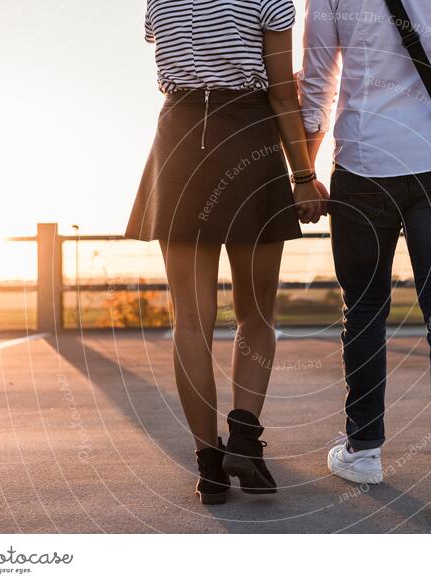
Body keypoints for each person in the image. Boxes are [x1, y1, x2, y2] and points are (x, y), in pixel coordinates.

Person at [125, 0, 327, 505]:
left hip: (179, 139)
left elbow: (164, 51)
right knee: (255, 313)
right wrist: (303, 175)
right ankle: (244, 439)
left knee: (190, 321)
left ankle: (208, 467)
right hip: (248, 139)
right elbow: (283, 93)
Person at [298, 0, 431, 517]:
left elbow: (316, 87)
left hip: (361, 165)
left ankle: (363, 450)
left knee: (363, 309)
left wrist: (305, 171)